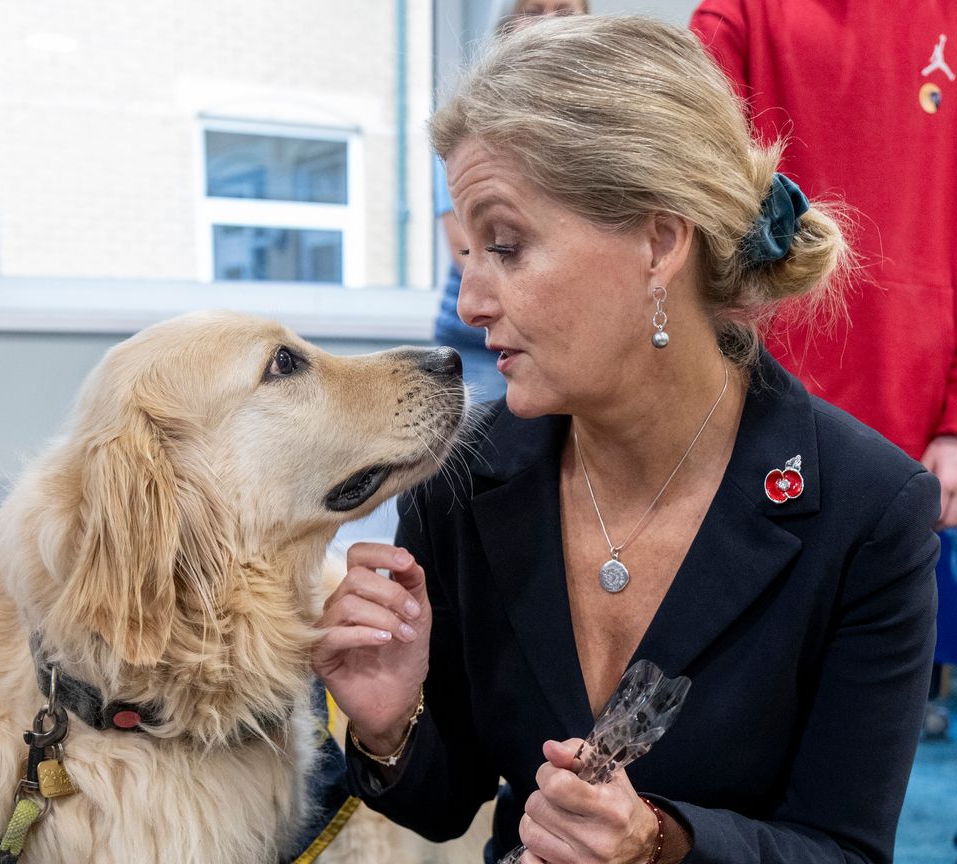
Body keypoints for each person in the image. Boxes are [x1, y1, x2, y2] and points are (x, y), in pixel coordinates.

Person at [315, 16, 939, 864]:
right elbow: (445, 799)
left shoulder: (868, 512)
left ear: (658, 242)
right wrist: (390, 723)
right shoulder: (462, 480)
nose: (468, 304)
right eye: (468, 253)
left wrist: (659, 844)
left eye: (505, 245)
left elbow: (843, 849)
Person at [689, 0, 957, 742]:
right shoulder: (739, 15)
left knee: (874, 726)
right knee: (753, 714)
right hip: (760, 411)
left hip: (915, 415)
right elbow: (689, 193)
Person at [432, 0, 589, 403]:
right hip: (475, 343)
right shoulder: (463, 128)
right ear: (509, 23)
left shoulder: (588, 126)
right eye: (533, 9)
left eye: (565, 10)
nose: (549, 23)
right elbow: (463, 249)